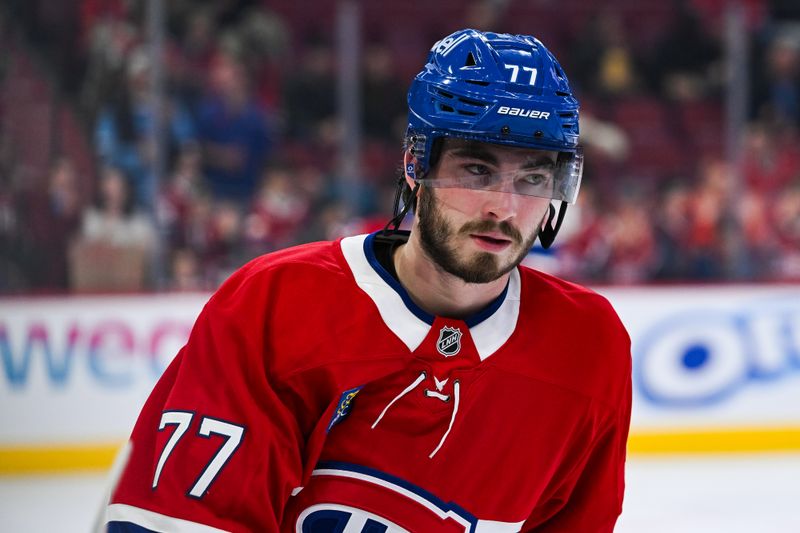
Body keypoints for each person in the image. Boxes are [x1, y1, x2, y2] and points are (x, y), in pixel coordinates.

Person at [104, 29, 631, 532]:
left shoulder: (588, 349)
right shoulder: (276, 306)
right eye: (476, 170)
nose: (504, 206)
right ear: (414, 165)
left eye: (533, 178)